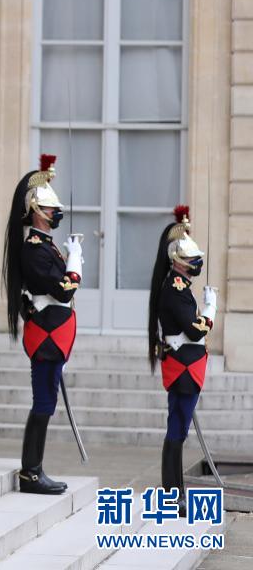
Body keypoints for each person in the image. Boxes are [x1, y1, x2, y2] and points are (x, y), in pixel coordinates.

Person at [1, 154, 83, 495]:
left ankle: (34, 468)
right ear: (37, 211)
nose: (56, 214)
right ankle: (31, 471)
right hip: (47, 336)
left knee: (46, 402)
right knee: (43, 404)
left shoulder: (44, 246)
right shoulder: (35, 249)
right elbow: (63, 290)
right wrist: (76, 262)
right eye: (51, 210)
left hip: (52, 335)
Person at [147, 205, 217, 518]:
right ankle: (173, 494)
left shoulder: (179, 286)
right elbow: (192, 329)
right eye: (191, 259)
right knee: (177, 430)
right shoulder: (176, 289)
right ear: (177, 261)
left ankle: (174, 492)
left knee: (177, 429)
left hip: (184, 365)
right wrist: (211, 310)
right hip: (185, 368)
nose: (196, 263)